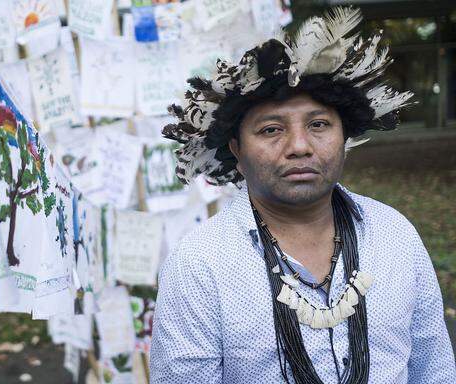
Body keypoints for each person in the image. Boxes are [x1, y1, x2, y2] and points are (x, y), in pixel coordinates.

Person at [150, 7, 455, 383]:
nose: (299, 146)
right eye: (271, 130)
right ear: (236, 151)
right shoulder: (198, 265)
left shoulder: (395, 234)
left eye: (319, 125)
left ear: (345, 138)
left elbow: (434, 369)